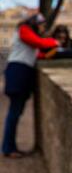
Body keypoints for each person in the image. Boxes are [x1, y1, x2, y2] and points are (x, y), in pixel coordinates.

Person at [2, 14, 59, 158]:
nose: (42, 28)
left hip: (21, 73)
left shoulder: (28, 33)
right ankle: (8, 148)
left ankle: (10, 147)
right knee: (14, 113)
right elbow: (40, 43)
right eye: (41, 25)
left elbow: (36, 54)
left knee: (16, 112)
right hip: (18, 72)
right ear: (35, 23)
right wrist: (54, 42)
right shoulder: (24, 29)